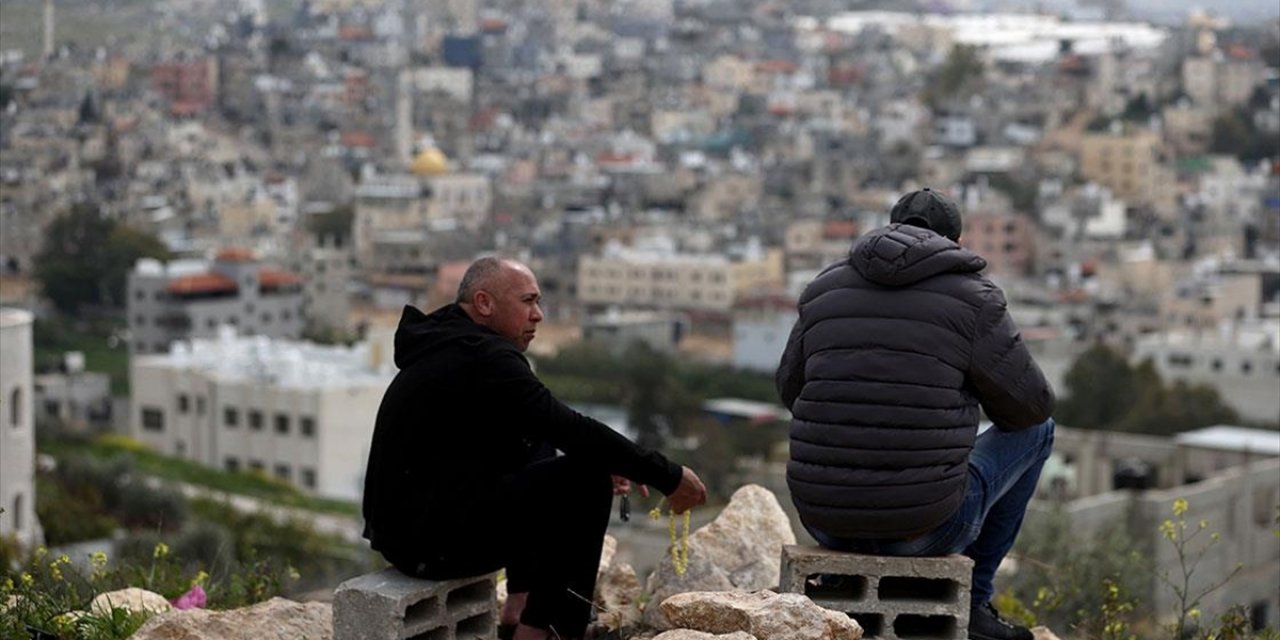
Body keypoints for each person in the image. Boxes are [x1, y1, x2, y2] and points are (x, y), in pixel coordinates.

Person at [363, 256, 707, 640]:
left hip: (414, 531)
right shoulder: (483, 356)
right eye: (528, 301)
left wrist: (603, 456)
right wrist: (669, 476)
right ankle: (548, 631)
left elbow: (542, 430)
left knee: (540, 441)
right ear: (484, 303)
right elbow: (570, 427)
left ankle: (520, 605)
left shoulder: (454, 343)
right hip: (428, 543)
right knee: (587, 479)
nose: (538, 315)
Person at [775, 188, 1055, 640]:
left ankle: (844, 582)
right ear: (953, 242)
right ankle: (978, 602)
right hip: (925, 530)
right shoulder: (975, 299)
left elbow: (790, 390)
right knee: (1041, 431)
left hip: (824, 521)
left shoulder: (823, 290)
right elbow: (1031, 408)